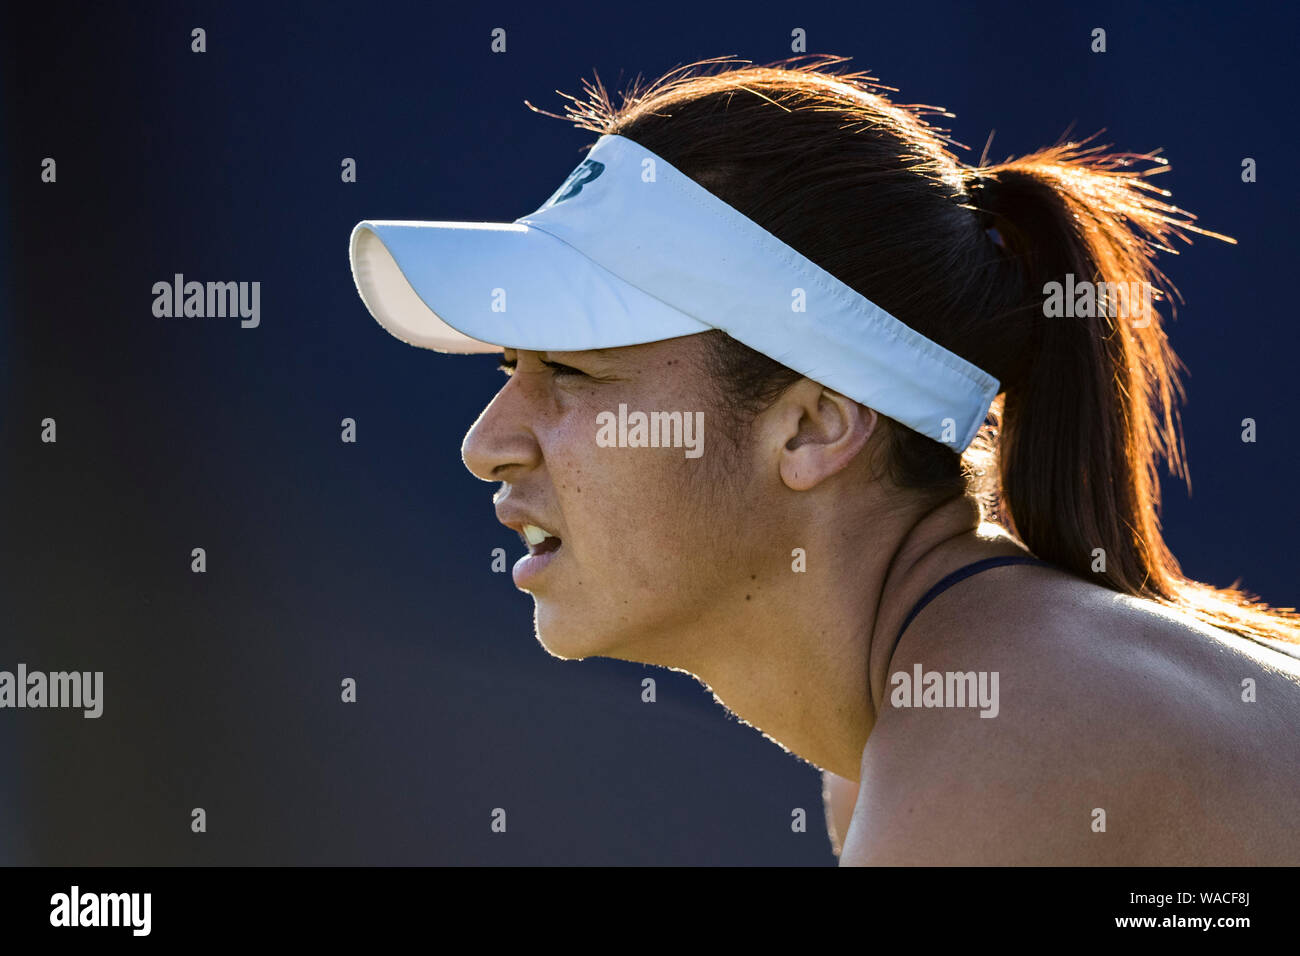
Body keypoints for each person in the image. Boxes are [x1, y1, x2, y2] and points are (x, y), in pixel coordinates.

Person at [348, 55, 1300, 865]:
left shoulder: (997, 733)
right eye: (515, 366)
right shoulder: (923, 739)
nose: (487, 444)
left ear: (813, 427)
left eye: (571, 369)